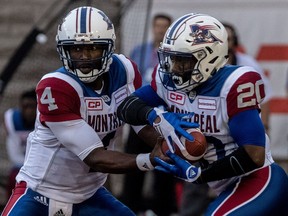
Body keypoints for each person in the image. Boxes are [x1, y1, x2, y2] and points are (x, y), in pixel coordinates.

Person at [1, 6, 169, 216]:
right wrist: (149, 159)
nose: (84, 56)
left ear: (108, 48)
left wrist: (168, 145)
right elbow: (94, 156)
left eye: (93, 48)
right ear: (64, 50)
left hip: (89, 194)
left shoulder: (125, 70)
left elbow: (137, 121)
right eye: (76, 49)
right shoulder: (55, 87)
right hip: (40, 193)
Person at [117, 13, 288, 215]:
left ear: (209, 57)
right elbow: (126, 107)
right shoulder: (168, 81)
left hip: (257, 179)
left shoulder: (233, 84)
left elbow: (254, 155)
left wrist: (199, 175)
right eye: (170, 59)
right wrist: (156, 117)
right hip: (224, 186)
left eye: (182, 60)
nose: (173, 68)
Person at [120, 14, 177, 215]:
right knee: (134, 165)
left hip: (166, 118)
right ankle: (131, 208)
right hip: (141, 118)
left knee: (165, 166)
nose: (160, 30)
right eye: (158, 26)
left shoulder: (175, 54)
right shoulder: (139, 51)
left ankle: (163, 209)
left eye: (165, 27)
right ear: (153, 27)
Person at [223, 22, 273, 130]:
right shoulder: (205, 65)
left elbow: (265, 95)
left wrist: (264, 126)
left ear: (234, 41)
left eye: (228, 40)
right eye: (220, 40)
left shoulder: (248, 63)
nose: (224, 44)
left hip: (243, 122)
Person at [4, 89, 37, 200]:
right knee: (15, 176)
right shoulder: (12, 119)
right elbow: (14, 155)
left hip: (42, 166)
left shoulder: (46, 121)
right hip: (23, 164)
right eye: (25, 106)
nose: (28, 111)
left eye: (32, 106)